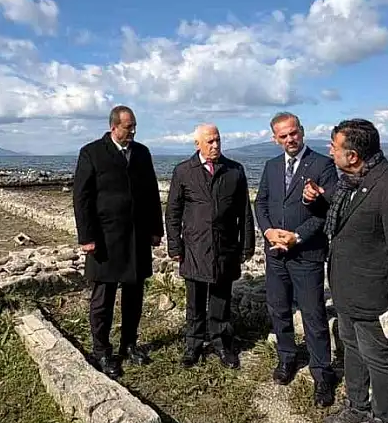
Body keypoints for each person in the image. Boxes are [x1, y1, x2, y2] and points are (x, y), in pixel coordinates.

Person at [303, 119, 388, 423]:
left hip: (375, 297)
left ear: (353, 155)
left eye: (334, 147)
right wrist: (317, 200)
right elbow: (348, 219)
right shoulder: (354, 181)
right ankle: (357, 407)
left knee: (379, 359)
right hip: (346, 289)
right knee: (352, 349)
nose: (329, 151)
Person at [253, 111, 340, 406]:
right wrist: (268, 232)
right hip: (275, 253)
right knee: (278, 309)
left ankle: (322, 374)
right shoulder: (271, 166)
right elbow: (261, 202)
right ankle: (287, 358)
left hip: (307, 254)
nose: (290, 139)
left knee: (314, 316)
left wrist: (297, 237)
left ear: (302, 131)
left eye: (294, 133)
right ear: (275, 139)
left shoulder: (323, 165)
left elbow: (327, 211)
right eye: (283, 136)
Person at [72, 105, 165, 379]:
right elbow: (82, 197)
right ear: (114, 127)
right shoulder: (91, 152)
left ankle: (129, 344)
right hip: (105, 239)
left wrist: (155, 229)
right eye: (128, 127)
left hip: (137, 237)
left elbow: (151, 193)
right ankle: (102, 350)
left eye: (135, 126)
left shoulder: (142, 153)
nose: (133, 131)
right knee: (103, 298)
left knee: (134, 296)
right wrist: (87, 237)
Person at [165, 123, 255, 368]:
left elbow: (244, 212)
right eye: (210, 142)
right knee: (194, 301)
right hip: (194, 247)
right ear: (198, 144)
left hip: (225, 247)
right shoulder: (183, 171)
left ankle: (222, 344)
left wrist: (247, 245)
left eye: (218, 140)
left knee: (221, 299)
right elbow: (173, 211)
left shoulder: (234, 170)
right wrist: (175, 246)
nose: (215, 145)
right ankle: (192, 345)